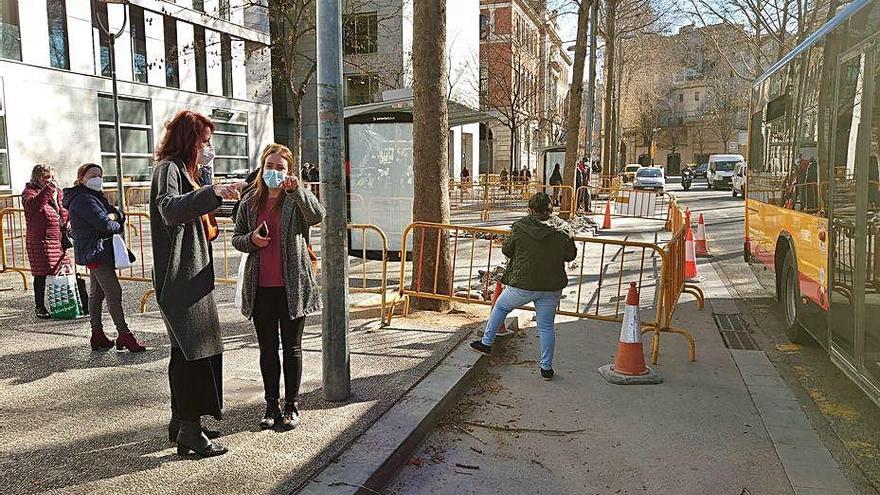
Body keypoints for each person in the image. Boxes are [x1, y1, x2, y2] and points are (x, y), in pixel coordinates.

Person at [150, 110, 244, 457]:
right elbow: (170, 209)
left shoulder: (185, 172)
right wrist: (211, 191)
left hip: (190, 276)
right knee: (193, 354)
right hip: (181, 278)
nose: (209, 147)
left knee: (185, 353)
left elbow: (196, 211)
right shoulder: (169, 170)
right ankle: (189, 430)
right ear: (190, 140)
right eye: (205, 141)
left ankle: (181, 422)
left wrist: (219, 192)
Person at [233, 144, 325, 430]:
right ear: (262, 168)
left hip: (293, 285)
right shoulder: (250, 201)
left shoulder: (295, 197)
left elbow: (317, 215)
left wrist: (297, 191)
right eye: (269, 166)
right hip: (260, 286)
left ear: (289, 171)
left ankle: (292, 405)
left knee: (292, 348)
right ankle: (271, 403)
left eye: (280, 167)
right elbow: (237, 238)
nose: (274, 171)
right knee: (267, 348)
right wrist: (252, 240)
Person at [470, 192, 576, 380]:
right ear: (551, 209)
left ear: (530, 209)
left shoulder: (520, 227)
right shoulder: (562, 228)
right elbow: (570, 255)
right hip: (551, 286)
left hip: (523, 284)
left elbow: (507, 249)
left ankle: (486, 342)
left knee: (501, 306)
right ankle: (546, 368)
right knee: (546, 326)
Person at [63, 164, 146, 352]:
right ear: (82, 178)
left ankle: (97, 334)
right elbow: (106, 224)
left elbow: (116, 214)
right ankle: (124, 334)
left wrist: (115, 216)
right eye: (93, 175)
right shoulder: (84, 198)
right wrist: (115, 220)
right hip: (95, 251)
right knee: (113, 292)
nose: (98, 178)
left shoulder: (94, 195)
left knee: (97, 294)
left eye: (100, 175)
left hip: (97, 250)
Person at [23, 164, 70, 319]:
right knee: (41, 273)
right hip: (39, 240)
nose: (51, 180)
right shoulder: (29, 192)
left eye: (52, 177)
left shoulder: (56, 193)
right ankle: (40, 306)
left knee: (64, 270)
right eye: (47, 177)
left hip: (57, 239)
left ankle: (65, 304)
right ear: (37, 178)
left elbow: (63, 213)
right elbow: (33, 205)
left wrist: (58, 203)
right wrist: (49, 190)